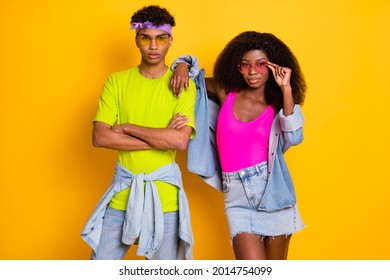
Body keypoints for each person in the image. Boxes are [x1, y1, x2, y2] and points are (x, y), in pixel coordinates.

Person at [171, 31, 306, 260]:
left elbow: (294, 136)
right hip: (237, 198)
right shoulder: (227, 92)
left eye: (261, 65)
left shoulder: (276, 104)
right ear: (237, 66)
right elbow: (190, 82)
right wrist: (182, 65)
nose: (252, 72)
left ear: (274, 66)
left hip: (272, 192)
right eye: (245, 65)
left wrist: (286, 89)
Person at [81, 5, 197, 260]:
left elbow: (179, 141)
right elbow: (100, 137)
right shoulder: (116, 81)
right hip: (122, 193)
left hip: (165, 198)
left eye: (160, 38)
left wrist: (128, 128)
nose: (153, 46)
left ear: (170, 41)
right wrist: (161, 138)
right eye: (146, 38)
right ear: (137, 40)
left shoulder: (184, 86)